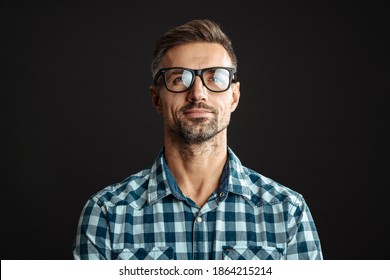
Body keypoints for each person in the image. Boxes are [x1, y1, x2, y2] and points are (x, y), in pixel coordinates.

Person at [73, 19, 323, 260]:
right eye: (179, 78)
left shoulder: (287, 211)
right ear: (157, 99)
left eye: (215, 77)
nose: (197, 94)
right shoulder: (107, 213)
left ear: (234, 97)